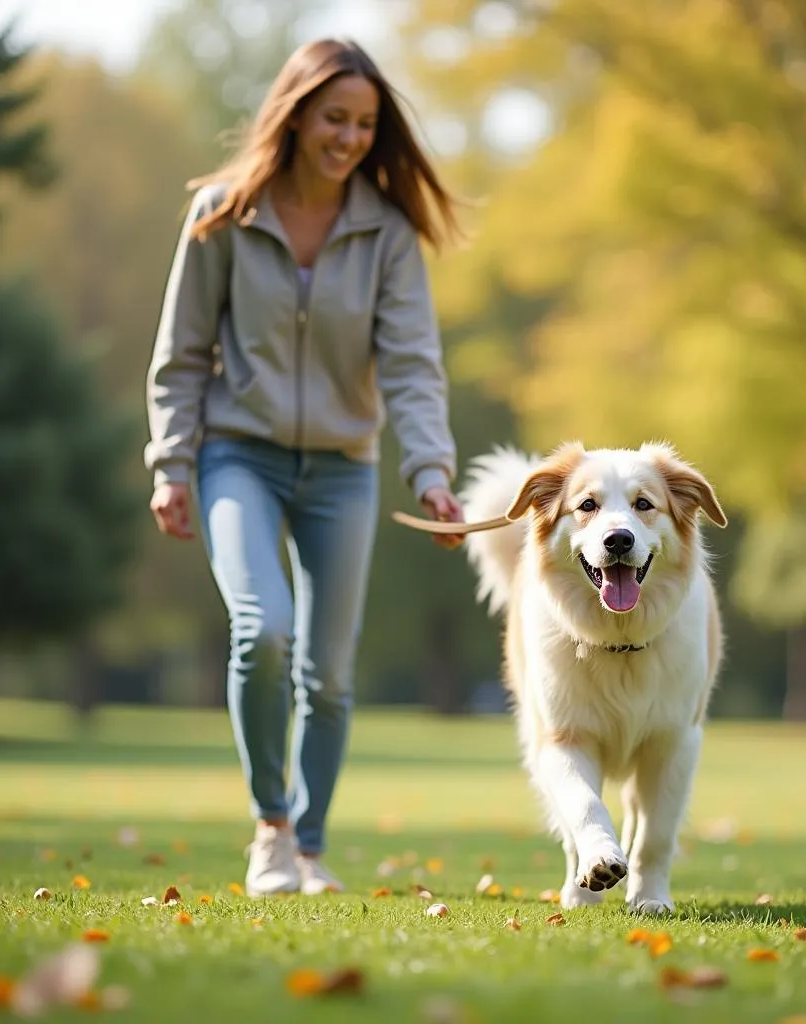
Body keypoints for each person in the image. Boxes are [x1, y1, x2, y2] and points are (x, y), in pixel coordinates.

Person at [144, 38, 465, 897]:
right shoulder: (222, 213)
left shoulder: (387, 234)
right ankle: (271, 830)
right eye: (335, 118)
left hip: (343, 469)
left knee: (328, 673)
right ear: (295, 114)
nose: (351, 137)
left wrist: (432, 471)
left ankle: (312, 849)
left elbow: (410, 364)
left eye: (365, 123)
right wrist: (172, 463)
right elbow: (181, 354)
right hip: (235, 455)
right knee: (265, 627)